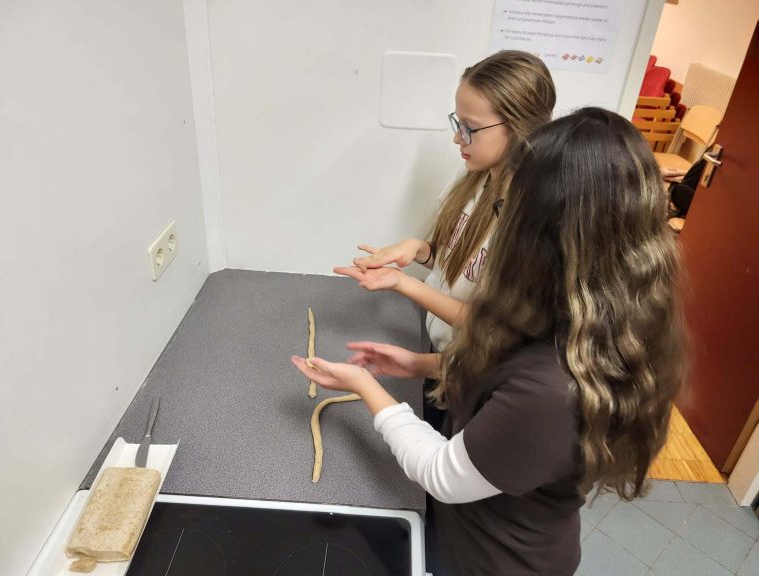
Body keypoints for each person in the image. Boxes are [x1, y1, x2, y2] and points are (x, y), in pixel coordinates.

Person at [292, 108, 687, 575]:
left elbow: (442, 472)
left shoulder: (551, 389)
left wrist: (365, 387)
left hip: (495, 562)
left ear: (544, 233)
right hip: (477, 531)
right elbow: (508, 367)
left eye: (507, 211)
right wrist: (425, 365)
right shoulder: (573, 312)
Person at [335, 50, 556, 430]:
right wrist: (418, 249)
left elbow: (492, 326)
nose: (457, 137)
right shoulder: (475, 175)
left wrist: (402, 284)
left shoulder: (533, 218)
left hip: (479, 378)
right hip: (442, 359)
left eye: (469, 126)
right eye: (458, 121)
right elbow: (454, 260)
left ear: (520, 127)